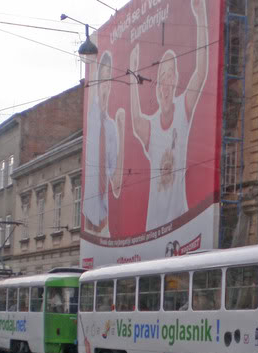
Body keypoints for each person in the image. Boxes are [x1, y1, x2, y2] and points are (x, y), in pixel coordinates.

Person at [130, 0, 208, 231]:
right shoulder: (151, 126)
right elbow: (135, 120)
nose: (164, 84)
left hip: (180, 223)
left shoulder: (183, 108)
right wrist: (133, 71)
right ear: (156, 86)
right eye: (160, 78)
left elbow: (201, 72)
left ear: (176, 81)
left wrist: (201, 17)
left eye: (169, 76)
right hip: (153, 228)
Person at [83, 50, 125, 237]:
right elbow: (91, 85)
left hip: (103, 224)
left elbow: (116, 183)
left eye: (109, 80)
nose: (105, 86)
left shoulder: (111, 127)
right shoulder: (91, 115)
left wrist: (122, 132)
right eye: (103, 80)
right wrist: (92, 60)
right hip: (87, 220)